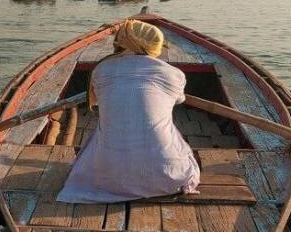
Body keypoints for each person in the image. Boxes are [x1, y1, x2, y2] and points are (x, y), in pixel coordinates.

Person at [57, 20, 200, 203]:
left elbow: (99, 100)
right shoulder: (175, 74)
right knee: (171, 134)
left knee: (100, 133)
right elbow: (179, 99)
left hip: (107, 179)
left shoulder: (101, 69)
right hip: (168, 178)